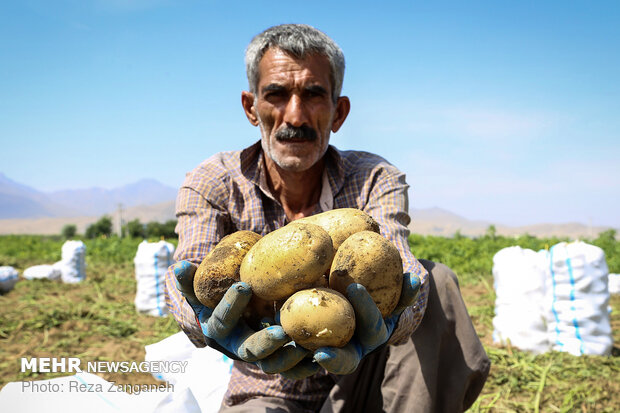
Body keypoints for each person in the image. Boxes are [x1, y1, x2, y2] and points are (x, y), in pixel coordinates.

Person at [165, 24, 490, 412]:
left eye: (315, 95)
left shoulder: (374, 178)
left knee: (436, 281)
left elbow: (402, 267)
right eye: (277, 94)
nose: (296, 116)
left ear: (339, 111)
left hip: (367, 380)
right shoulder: (213, 182)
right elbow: (186, 275)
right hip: (266, 386)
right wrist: (208, 322)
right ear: (251, 107)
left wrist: (385, 325)